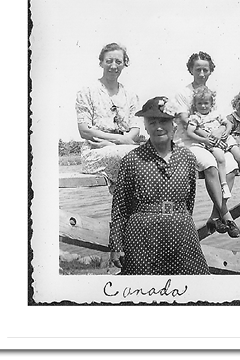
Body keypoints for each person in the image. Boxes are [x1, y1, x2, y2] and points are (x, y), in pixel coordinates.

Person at [109, 97, 210, 275]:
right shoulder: (132, 160)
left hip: (181, 232)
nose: (158, 127)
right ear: (145, 126)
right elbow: (120, 207)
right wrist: (116, 244)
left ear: (174, 125)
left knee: (192, 290)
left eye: (164, 121)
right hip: (142, 235)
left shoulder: (187, 158)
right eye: (152, 122)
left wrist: (180, 222)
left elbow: (189, 202)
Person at [173, 52, 240, 234]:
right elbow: (187, 122)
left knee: (232, 166)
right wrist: (211, 137)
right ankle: (227, 216)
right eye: (198, 69)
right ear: (191, 70)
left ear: (211, 71)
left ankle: (214, 216)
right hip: (190, 141)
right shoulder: (183, 93)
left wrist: (221, 132)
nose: (202, 74)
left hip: (212, 140)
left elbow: (222, 120)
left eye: (205, 70)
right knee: (210, 165)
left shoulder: (212, 94)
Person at [75, 43, 144, 189]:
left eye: (118, 62)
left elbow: (135, 132)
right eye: (109, 61)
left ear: (124, 64)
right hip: (95, 152)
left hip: (125, 148)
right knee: (138, 157)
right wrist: (119, 140)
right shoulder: (87, 92)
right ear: (101, 63)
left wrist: (115, 143)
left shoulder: (131, 96)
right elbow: (85, 131)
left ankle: (144, 208)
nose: (114, 66)